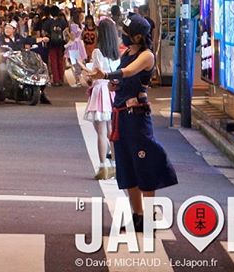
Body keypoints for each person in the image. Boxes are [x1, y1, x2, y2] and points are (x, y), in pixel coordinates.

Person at [88, 14, 178, 232]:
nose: (124, 37)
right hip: (120, 115)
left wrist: (108, 75)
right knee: (127, 168)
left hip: (137, 117)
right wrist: (115, 84)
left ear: (139, 36)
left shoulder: (147, 56)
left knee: (144, 165)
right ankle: (136, 216)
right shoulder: (127, 52)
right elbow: (124, 77)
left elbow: (129, 71)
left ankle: (148, 216)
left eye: (127, 34)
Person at [83, 17, 120, 180]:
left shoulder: (97, 52)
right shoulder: (117, 53)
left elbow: (95, 72)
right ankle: (117, 165)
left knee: (101, 132)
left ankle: (103, 166)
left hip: (100, 91)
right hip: (113, 92)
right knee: (113, 131)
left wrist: (84, 69)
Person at [42, 5, 68, 86]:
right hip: (61, 44)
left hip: (52, 43)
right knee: (60, 61)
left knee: (53, 61)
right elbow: (66, 32)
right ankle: (61, 79)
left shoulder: (48, 22)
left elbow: (44, 32)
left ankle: (56, 79)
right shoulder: (63, 21)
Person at [64, 23, 87, 87]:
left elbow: (72, 38)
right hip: (79, 47)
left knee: (75, 65)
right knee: (78, 64)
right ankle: (78, 79)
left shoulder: (73, 27)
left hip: (74, 48)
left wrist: (67, 32)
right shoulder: (80, 26)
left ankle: (78, 80)